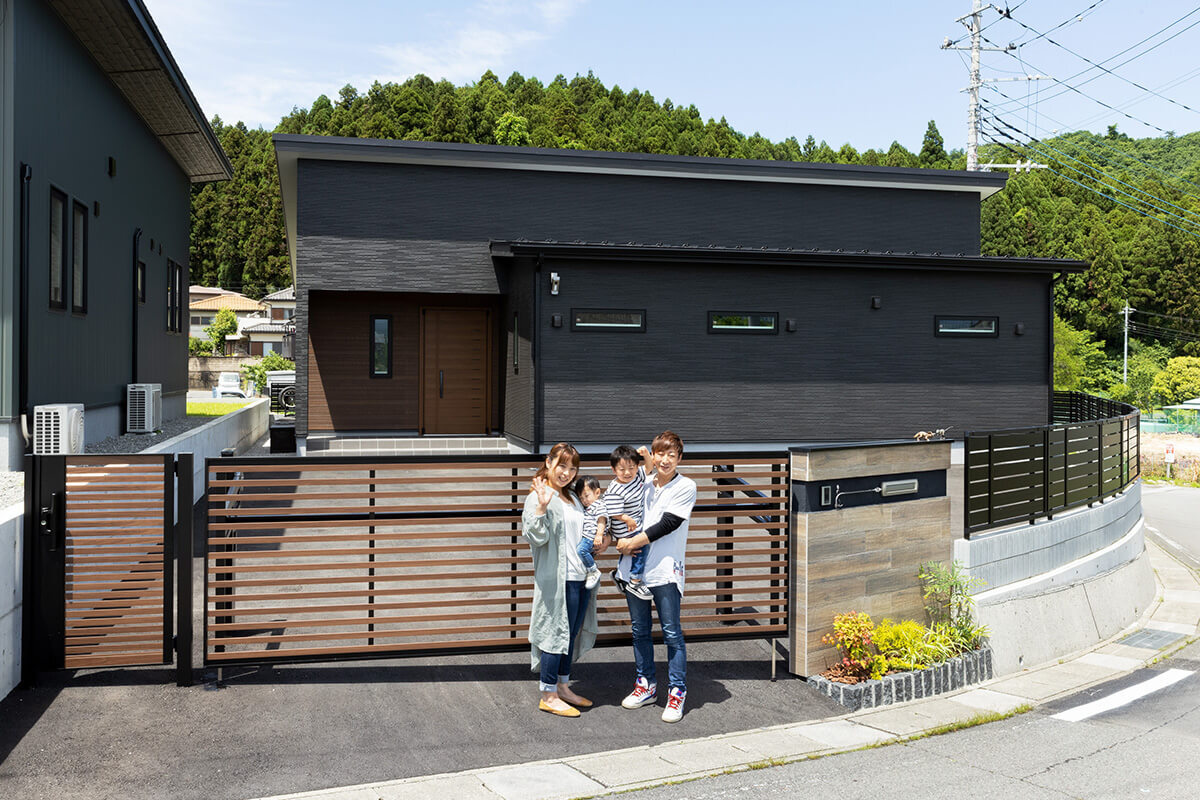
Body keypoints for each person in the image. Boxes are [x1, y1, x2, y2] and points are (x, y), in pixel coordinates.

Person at [615, 431, 696, 723]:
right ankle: (646, 685)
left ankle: (677, 691)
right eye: (660, 453)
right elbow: (617, 502)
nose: (665, 460)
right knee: (639, 630)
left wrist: (631, 543)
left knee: (672, 633)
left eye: (671, 455)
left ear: (679, 458)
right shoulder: (644, 483)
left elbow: (668, 524)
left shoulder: (686, 486)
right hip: (635, 570)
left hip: (665, 570)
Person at [522, 442, 599, 717]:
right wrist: (541, 508)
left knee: (570, 634)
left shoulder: (573, 497)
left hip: (580, 577)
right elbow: (535, 537)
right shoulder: (539, 495)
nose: (566, 473)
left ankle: (563, 687)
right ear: (549, 462)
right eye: (561, 465)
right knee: (554, 634)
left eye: (572, 468)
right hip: (558, 579)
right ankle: (548, 694)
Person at [602, 445, 652, 599]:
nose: (627, 473)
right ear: (614, 470)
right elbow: (613, 512)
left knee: (633, 551)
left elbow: (649, 467)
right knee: (642, 546)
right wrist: (627, 518)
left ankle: (619, 574)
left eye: (631, 468)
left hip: (633, 524)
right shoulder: (615, 489)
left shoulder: (637, 477)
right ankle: (635, 580)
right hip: (624, 528)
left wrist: (646, 455)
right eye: (622, 469)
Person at [573, 475, 608, 590]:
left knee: (581, 550)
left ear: (597, 492)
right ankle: (591, 573)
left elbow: (601, 520)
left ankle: (593, 571)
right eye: (581, 498)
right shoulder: (589, 507)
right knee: (586, 556)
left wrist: (599, 535)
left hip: (591, 537)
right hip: (589, 537)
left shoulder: (599, 505)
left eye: (586, 496)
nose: (584, 500)